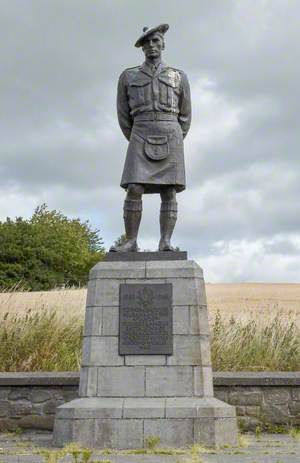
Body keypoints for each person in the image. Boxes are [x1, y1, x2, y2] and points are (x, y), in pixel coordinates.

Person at [110, 24, 191, 252]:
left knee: (169, 190)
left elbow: (186, 115)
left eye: (155, 41)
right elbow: (123, 115)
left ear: (163, 43)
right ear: (142, 48)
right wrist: (137, 134)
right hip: (140, 131)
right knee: (134, 187)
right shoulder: (128, 76)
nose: (151, 46)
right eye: (146, 43)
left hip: (170, 131)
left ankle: (165, 242)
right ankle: (131, 241)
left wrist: (174, 134)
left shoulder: (178, 76)